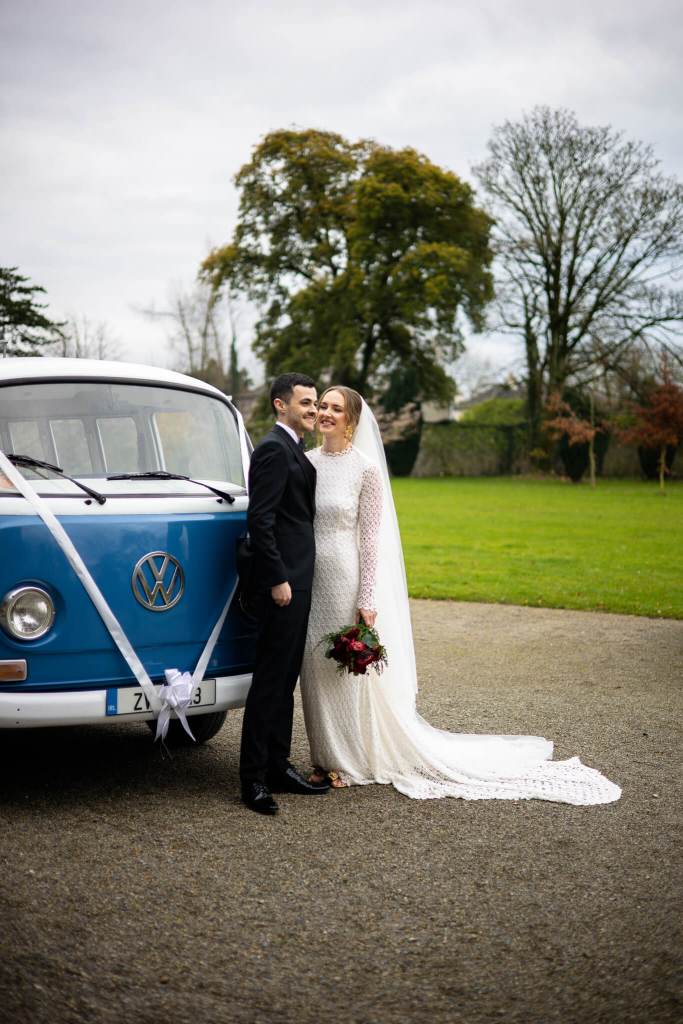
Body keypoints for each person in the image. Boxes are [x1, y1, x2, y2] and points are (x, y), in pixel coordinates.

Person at [300, 386, 621, 805]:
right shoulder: (307, 463)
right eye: (322, 406)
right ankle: (323, 756)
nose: (325, 413)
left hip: (345, 579)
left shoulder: (366, 470)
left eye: (336, 408)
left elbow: (371, 540)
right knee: (313, 670)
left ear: (352, 420)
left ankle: (346, 762)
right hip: (310, 579)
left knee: (343, 673)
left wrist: (368, 597)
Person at [239, 373, 331, 815]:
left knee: (286, 679)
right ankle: (253, 780)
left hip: (298, 579)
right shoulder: (274, 449)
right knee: (270, 682)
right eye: (306, 402)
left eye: (315, 402)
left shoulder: (293, 447)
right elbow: (261, 520)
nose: (313, 409)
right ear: (281, 405)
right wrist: (277, 578)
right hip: (283, 583)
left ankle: (277, 765)